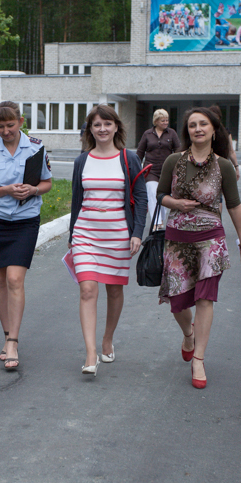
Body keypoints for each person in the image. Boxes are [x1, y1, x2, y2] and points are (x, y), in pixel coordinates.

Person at [157, 107, 241, 389]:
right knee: (177, 302)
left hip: (211, 239)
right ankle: (189, 335)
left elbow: (234, 206)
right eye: (192, 125)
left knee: (205, 298)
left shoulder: (224, 166)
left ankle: (199, 359)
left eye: (203, 124)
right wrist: (175, 203)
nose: (198, 129)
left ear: (214, 130)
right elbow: (161, 194)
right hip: (177, 239)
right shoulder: (174, 160)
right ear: (187, 131)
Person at [0, 101, 53, 370]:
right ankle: (6, 336)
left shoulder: (36, 147)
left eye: (10, 125)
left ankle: (14, 342)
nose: (5, 131)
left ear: (20, 122)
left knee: (15, 279)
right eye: (0, 126)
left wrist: (33, 190)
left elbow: (47, 182)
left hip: (25, 221)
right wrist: (6, 190)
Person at [69, 104, 147, 377]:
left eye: (107, 124)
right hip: (86, 232)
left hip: (117, 234)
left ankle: (107, 338)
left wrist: (137, 233)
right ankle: (90, 353)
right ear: (90, 130)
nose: (102, 129)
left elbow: (141, 198)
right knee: (88, 289)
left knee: (114, 291)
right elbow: (76, 200)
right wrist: (72, 235)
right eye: (97, 125)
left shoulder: (129, 159)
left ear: (116, 127)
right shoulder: (82, 161)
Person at [136, 109, 180, 231]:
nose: (166, 123)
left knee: (163, 195)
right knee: (152, 193)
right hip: (151, 170)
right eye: (163, 121)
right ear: (156, 121)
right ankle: (156, 222)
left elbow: (178, 149)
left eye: (167, 120)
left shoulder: (171, 133)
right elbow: (140, 152)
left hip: (167, 170)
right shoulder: (147, 134)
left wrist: (177, 164)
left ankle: (161, 219)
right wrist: (135, 167)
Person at [209, 105, 240, 180]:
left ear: (219, 118)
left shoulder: (226, 132)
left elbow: (231, 151)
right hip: (208, 166)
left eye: (216, 117)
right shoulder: (206, 132)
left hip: (222, 166)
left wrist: (236, 167)